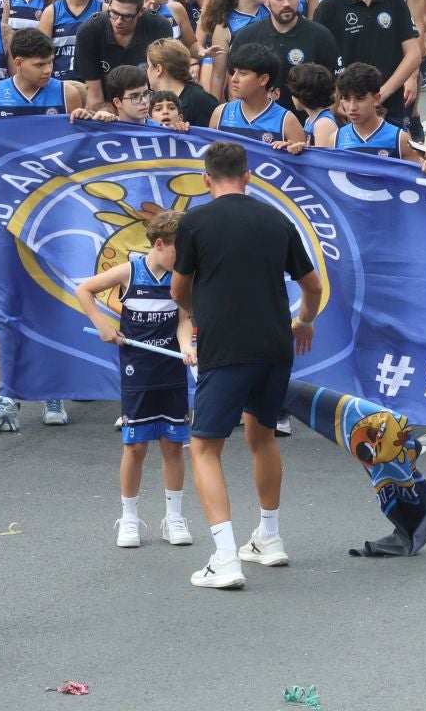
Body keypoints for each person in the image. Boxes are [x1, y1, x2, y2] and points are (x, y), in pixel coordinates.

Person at [171, 142, 323, 589]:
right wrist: (304, 322)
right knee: (262, 436)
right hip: (275, 344)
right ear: (248, 176)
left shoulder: (195, 221)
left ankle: (224, 558)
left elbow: (179, 291)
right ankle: (268, 539)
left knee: (204, 447)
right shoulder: (276, 219)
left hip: (226, 348)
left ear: (205, 179)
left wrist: (201, 310)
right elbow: (311, 287)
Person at [78, 209, 196, 549]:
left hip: (172, 373)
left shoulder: (181, 279)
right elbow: (84, 290)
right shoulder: (130, 272)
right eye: (179, 250)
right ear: (160, 244)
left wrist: (187, 347)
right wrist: (103, 326)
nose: (184, 258)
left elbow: (183, 320)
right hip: (137, 374)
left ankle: (173, 518)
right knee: (135, 446)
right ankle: (129, 517)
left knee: (174, 445)